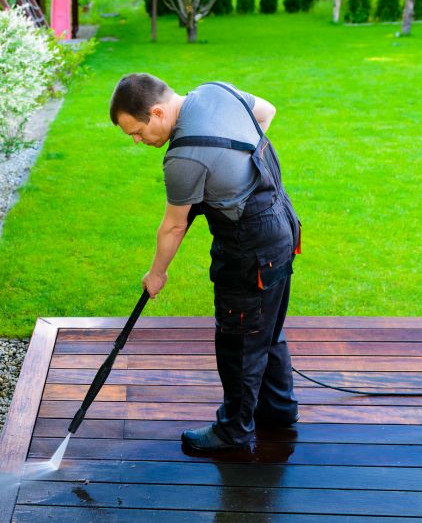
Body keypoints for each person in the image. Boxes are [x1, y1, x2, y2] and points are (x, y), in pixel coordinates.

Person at [109, 73, 302, 450]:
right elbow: (265, 113)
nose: (136, 141)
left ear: (158, 112)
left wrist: (156, 274)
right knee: (266, 328)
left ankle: (234, 431)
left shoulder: (182, 158)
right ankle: (278, 408)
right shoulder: (217, 91)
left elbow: (174, 226)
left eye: (136, 132)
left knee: (240, 340)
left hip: (249, 250)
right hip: (281, 225)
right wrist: (228, 175)